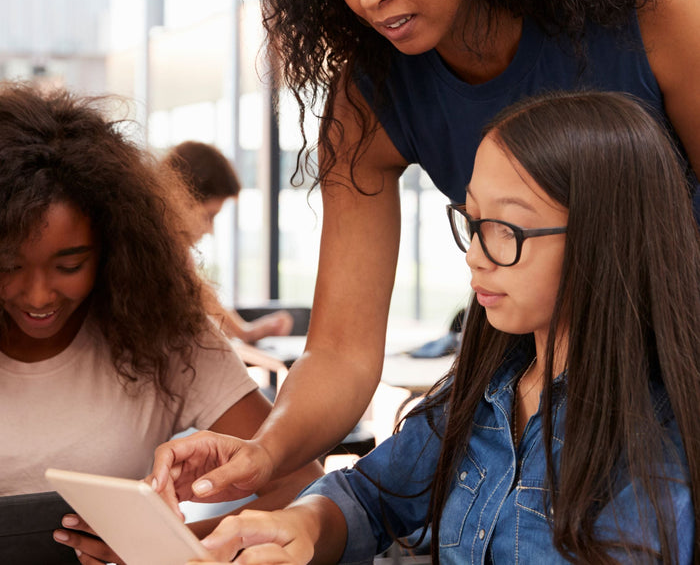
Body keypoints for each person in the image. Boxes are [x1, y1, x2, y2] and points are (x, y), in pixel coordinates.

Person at [150, 0, 700, 504]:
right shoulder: (369, 98)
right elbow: (341, 352)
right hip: (547, 399)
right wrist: (266, 452)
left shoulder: (651, 0)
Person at [183, 91, 700, 564]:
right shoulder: (480, 393)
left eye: (506, 229)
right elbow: (372, 495)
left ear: (606, 237)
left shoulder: (656, 441)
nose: (475, 256)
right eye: (473, 221)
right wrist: (301, 526)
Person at [0, 83, 322, 563]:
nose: (39, 295)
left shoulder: (164, 335)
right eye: (7, 265)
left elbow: (304, 482)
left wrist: (172, 545)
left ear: (113, 249)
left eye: (69, 266)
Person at [164, 140, 294, 344]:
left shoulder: (177, 255)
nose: (210, 230)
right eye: (209, 216)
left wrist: (246, 332)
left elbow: (201, 293)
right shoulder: (160, 252)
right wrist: (245, 332)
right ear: (179, 198)